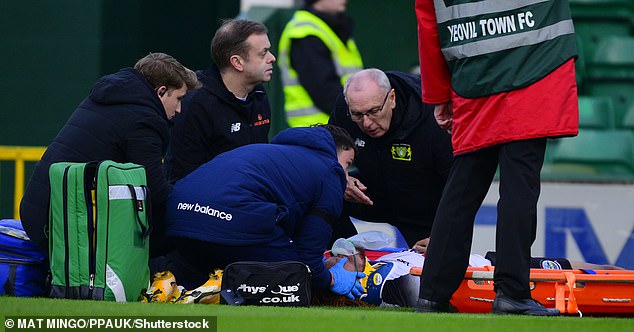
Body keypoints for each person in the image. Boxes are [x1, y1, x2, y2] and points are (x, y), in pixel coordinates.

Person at [414, 0, 579, 316]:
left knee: (462, 188)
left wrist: (438, 93)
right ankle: (512, 293)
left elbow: (428, 22)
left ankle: (432, 295)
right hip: (534, 67)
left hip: (474, 77)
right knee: (519, 185)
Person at [20, 52, 200, 255]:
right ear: (161, 91)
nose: (179, 109)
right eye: (178, 99)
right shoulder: (144, 119)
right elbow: (155, 192)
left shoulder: (111, 97)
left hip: (40, 213)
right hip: (60, 223)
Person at [158, 124, 365, 299]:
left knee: (197, 261)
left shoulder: (269, 152)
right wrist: (330, 279)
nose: (346, 176)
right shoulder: (330, 170)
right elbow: (307, 255)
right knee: (296, 278)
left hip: (180, 213)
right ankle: (220, 293)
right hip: (230, 217)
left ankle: (167, 278)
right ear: (336, 152)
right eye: (347, 164)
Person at [328, 68, 453, 249]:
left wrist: (444, 234)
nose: (367, 123)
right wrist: (342, 176)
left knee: (431, 265)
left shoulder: (432, 117)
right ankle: (346, 257)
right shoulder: (346, 108)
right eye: (358, 115)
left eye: (374, 111)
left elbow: (460, 187)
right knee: (324, 188)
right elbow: (327, 154)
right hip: (372, 193)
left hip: (425, 206)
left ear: (392, 98)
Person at [167, 19, 276, 183]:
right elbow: (182, 177)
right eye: (263, 53)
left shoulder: (259, 95)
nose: (272, 58)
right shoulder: (196, 104)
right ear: (237, 62)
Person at [278, 0, 363, 127]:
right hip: (317, 130)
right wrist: (361, 111)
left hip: (337, 127)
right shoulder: (305, 32)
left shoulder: (333, 28)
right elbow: (324, 91)